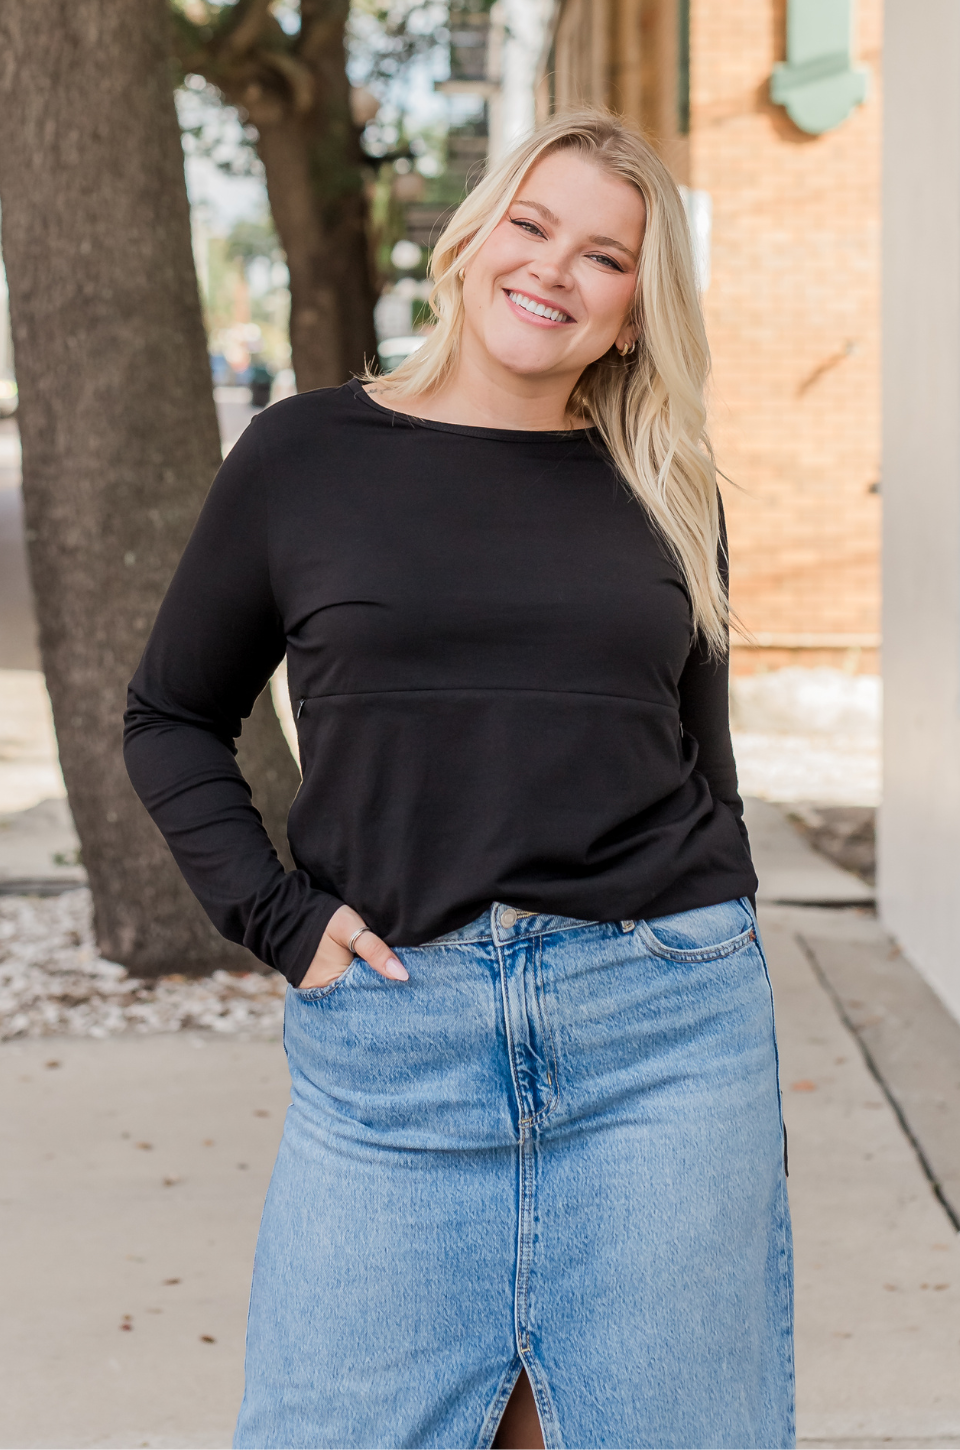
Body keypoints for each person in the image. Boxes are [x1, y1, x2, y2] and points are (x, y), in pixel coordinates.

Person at [124, 109, 794, 1450]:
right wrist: (276, 914)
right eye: (533, 224)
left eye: (606, 258)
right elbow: (171, 714)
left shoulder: (669, 487)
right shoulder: (301, 457)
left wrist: (710, 930)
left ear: (630, 318)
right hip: (393, 1046)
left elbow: (700, 767)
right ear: (472, 238)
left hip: (660, 1038)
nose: (555, 268)